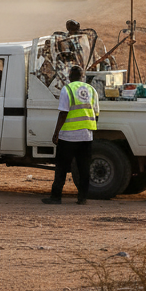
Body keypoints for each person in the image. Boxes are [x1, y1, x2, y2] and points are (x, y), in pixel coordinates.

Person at [43, 65, 98, 205]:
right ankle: (82, 198)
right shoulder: (92, 90)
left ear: (69, 76)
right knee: (84, 168)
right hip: (86, 136)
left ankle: (56, 197)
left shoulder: (67, 90)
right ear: (82, 76)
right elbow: (96, 113)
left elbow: (63, 113)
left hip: (68, 136)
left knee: (61, 167)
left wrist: (56, 133)